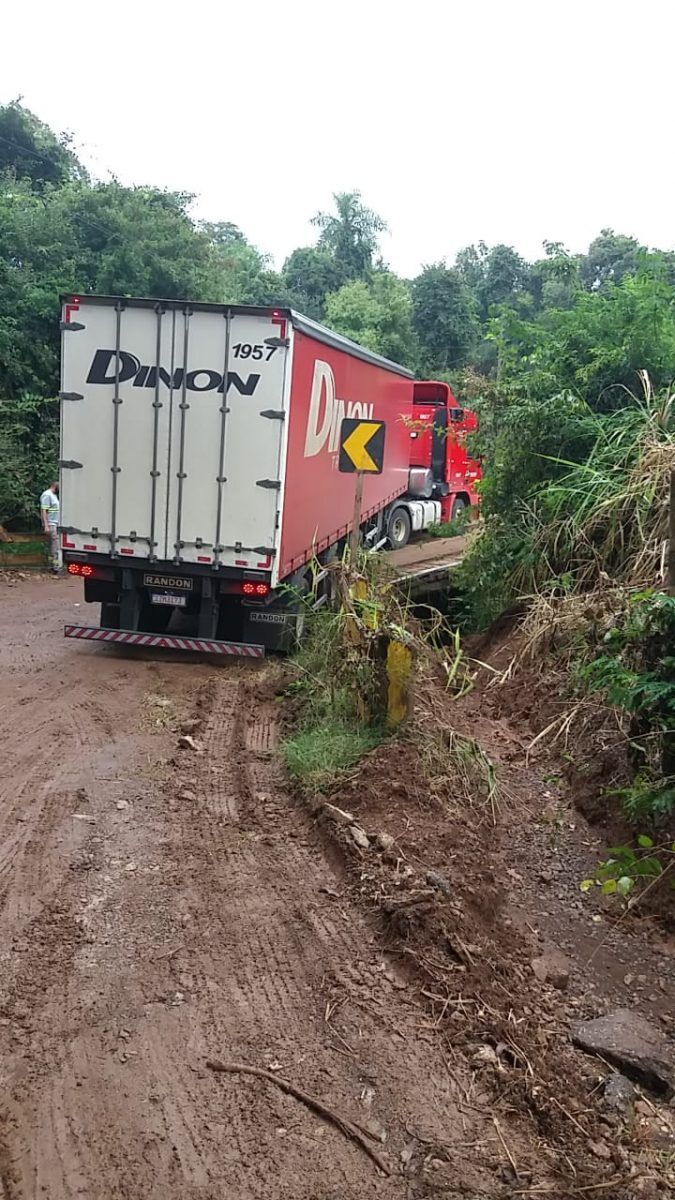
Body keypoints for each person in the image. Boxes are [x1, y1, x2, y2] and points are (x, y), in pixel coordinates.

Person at [40, 480, 61, 574]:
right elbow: (44, 510)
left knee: (54, 547)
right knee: (55, 548)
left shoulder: (54, 495)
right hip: (51, 524)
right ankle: (55, 566)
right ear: (55, 485)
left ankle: (52, 565)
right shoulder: (47, 495)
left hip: (55, 523)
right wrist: (46, 526)